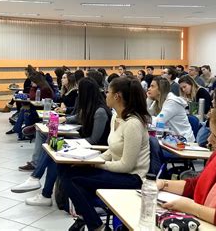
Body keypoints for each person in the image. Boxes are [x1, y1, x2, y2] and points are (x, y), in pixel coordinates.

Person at [61, 77, 151, 231]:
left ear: (117, 96)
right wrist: (91, 161)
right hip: (118, 172)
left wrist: (96, 164)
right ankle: (91, 222)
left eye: (108, 92)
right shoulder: (116, 117)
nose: (105, 95)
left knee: (71, 178)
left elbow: (126, 165)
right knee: (65, 170)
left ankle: (95, 225)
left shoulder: (133, 124)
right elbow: (111, 150)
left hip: (133, 178)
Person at [11, 77, 111, 207]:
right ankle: (41, 188)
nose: (78, 95)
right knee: (53, 146)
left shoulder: (100, 112)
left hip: (94, 150)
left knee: (55, 145)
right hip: (85, 145)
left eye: (80, 92)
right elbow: (78, 117)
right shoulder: (91, 108)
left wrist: (70, 143)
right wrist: (63, 119)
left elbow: (94, 140)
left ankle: (38, 183)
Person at [147, 76, 194, 141]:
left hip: (184, 141)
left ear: (160, 90)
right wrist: (149, 99)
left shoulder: (171, 102)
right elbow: (147, 113)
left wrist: (145, 117)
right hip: (170, 139)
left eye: (152, 86)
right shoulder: (158, 101)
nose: (149, 89)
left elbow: (158, 122)